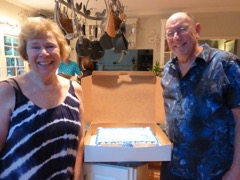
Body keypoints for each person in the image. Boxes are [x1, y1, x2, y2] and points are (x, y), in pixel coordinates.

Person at [0, 17, 84, 180]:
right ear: (26, 53)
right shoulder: (8, 91)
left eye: (50, 46)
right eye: (35, 47)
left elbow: (80, 140)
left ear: (61, 50)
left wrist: (78, 174)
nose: (44, 53)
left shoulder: (76, 90)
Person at [161, 12, 240, 180]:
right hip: (174, 169)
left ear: (197, 30)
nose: (176, 37)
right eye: (170, 33)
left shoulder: (226, 64)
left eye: (182, 29)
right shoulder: (168, 70)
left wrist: (236, 171)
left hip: (215, 172)